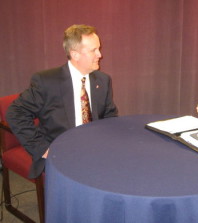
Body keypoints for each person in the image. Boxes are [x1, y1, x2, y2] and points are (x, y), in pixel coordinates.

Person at [6, 24, 118, 178]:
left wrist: (109, 142)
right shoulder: (47, 82)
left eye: (99, 48)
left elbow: (109, 115)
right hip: (61, 150)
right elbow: (15, 113)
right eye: (94, 50)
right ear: (75, 54)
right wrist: (41, 148)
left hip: (95, 146)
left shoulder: (103, 80)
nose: (100, 54)